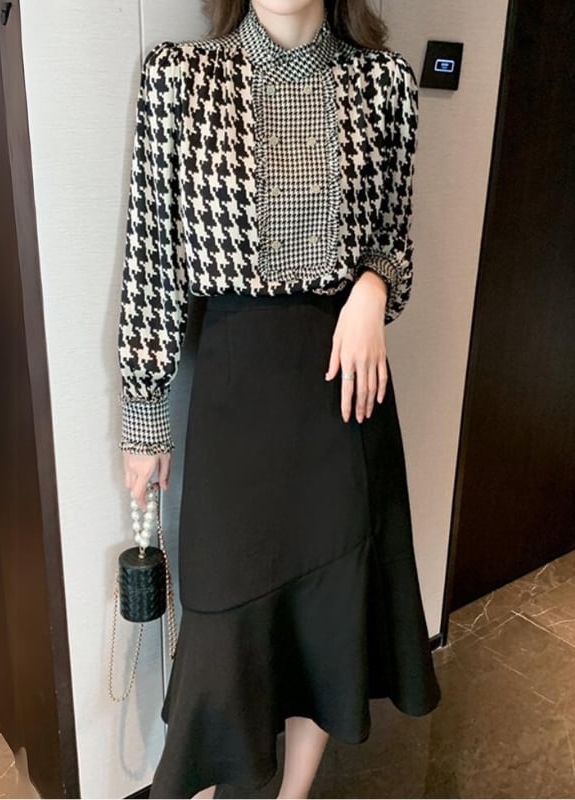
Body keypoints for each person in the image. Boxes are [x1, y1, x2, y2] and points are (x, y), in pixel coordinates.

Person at [117, 1, 442, 797]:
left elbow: (395, 238)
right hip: (236, 393)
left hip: (346, 403)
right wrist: (144, 414)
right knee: (222, 623)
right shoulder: (180, 77)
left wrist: (373, 287)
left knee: (330, 614)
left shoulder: (384, 83)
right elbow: (152, 259)